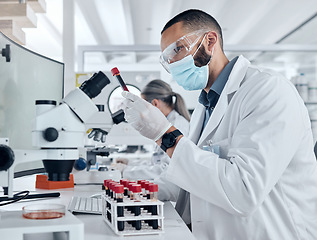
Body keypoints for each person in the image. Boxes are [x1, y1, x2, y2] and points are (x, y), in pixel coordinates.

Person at [121, 9, 317, 240]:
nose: (172, 63)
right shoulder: (206, 106)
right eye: (166, 58)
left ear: (210, 41)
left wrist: (165, 134)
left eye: (176, 50)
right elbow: (185, 176)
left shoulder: (269, 90)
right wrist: (124, 185)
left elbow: (243, 190)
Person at [118, 79, 190, 202]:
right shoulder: (168, 123)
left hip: (173, 197)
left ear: (155, 104)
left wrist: (125, 172)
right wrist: (130, 165)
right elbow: (156, 162)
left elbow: (166, 168)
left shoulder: (178, 125)